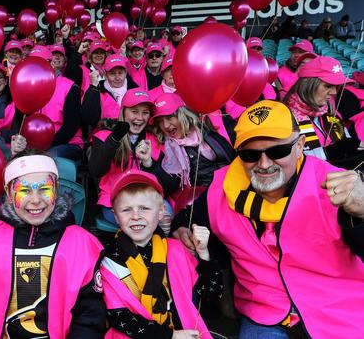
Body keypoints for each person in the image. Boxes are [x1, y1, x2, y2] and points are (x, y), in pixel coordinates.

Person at [171, 100, 364, 339]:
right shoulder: (220, 190)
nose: (263, 164)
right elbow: (186, 219)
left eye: (277, 151)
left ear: (300, 145)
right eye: (250, 154)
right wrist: (181, 230)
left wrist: (363, 212)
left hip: (337, 312)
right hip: (265, 316)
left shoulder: (336, 185)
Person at [0, 150, 106, 337]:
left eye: (44, 189)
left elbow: (90, 312)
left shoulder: (81, 243)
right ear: (9, 193)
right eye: (24, 190)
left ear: (56, 188)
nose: (35, 200)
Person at [101, 170, 222, 339]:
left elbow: (211, 294)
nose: (136, 216)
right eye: (126, 210)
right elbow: (119, 318)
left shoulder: (177, 251)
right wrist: (169, 336)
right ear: (115, 215)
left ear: (160, 211)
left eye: (144, 208)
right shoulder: (109, 262)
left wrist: (203, 253)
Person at [146, 93, 235, 213]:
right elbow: (167, 186)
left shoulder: (213, 123)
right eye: (160, 121)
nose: (166, 125)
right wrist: (149, 163)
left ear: (182, 113)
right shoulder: (168, 148)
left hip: (234, 189)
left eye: (169, 117)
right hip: (207, 203)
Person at [89, 88, 162, 223]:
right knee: (137, 221)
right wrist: (114, 140)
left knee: (166, 216)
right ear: (123, 111)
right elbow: (96, 170)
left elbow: (163, 183)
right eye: (134, 111)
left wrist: (149, 163)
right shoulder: (105, 135)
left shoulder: (153, 140)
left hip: (146, 201)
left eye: (145, 113)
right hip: (114, 201)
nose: (140, 118)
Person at [282, 56, 364, 168]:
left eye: (337, 87)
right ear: (308, 84)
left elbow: (346, 144)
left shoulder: (333, 115)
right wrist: (328, 152)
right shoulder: (284, 117)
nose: (334, 92)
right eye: (328, 86)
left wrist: (353, 148)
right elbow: (285, 161)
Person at [10, 46, 83, 160]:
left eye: (40, 63)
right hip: (33, 145)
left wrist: (44, 147)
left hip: (64, 143)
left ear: (51, 64)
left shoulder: (69, 87)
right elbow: (20, 121)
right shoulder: (25, 86)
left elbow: (70, 127)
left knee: (46, 159)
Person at [82, 54, 140, 128]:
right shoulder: (97, 90)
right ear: (106, 75)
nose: (117, 78)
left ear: (125, 73)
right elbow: (88, 118)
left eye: (120, 73)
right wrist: (93, 88)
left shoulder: (136, 91)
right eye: (112, 73)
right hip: (105, 136)